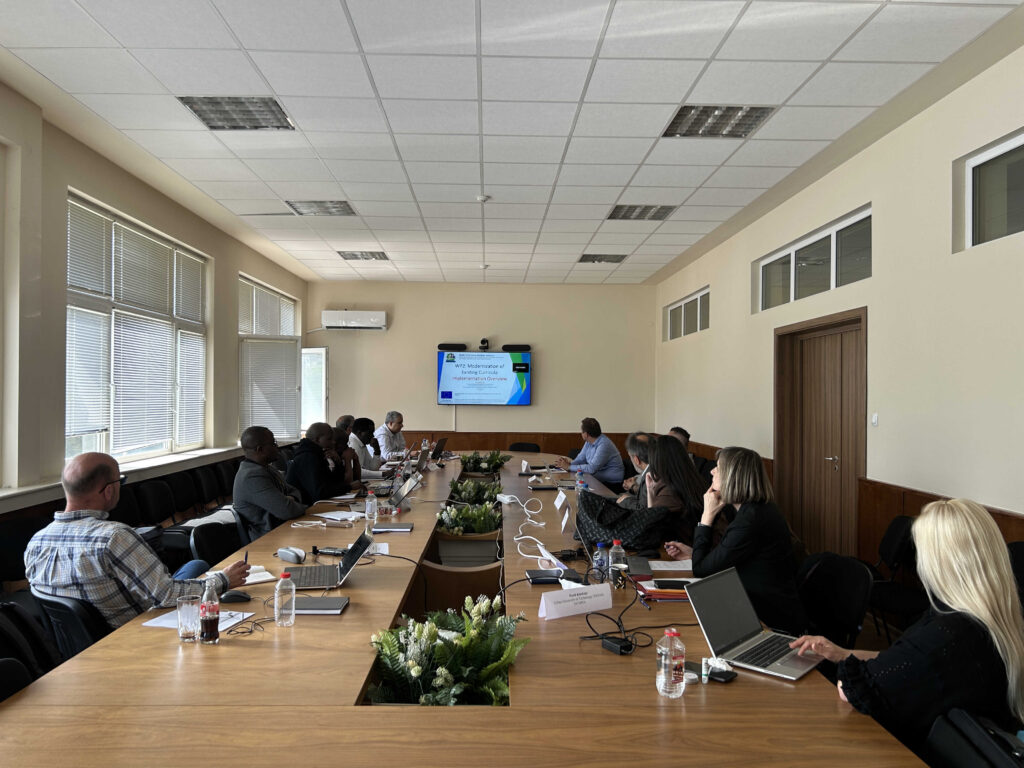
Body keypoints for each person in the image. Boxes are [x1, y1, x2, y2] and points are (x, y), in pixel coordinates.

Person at [790, 499, 1024, 756]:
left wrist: (847, 670)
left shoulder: (945, 636)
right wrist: (843, 653)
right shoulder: (991, 616)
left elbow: (854, 689)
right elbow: (901, 661)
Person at [24, 452, 248, 629]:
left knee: (195, 566)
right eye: (120, 481)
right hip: (136, 631)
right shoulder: (114, 537)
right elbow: (166, 595)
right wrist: (223, 580)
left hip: (84, 648)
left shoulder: (35, 543)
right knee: (201, 572)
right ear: (109, 491)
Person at [664, 446, 805, 635]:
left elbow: (701, 571)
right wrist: (694, 554)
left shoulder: (750, 520)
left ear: (733, 476)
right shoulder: (756, 509)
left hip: (769, 620)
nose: (712, 471)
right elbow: (727, 556)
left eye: (718, 467)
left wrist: (706, 517)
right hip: (758, 604)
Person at [234, 426, 307, 539]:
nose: (277, 447)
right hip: (269, 538)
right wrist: (289, 501)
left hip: (285, 528)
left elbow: (294, 491)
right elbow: (287, 510)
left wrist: (290, 499)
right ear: (260, 449)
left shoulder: (268, 468)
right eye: (273, 443)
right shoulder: (251, 476)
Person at [645, 434, 707, 541]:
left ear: (657, 462)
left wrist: (650, 492)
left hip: (682, 547)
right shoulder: (694, 479)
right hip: (696, 543)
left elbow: (650, 527)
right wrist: (650, 490)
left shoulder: (669, 492)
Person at [285, 422, 352, 505]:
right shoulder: (307, 457)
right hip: (305, 507)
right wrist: (349, 487)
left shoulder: (319, 453)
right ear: (317, 440)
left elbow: (336, 482)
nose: (333, 442)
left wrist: (338, 462)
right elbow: (319, 493)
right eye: (329, 439)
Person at [555, 417, 624, 489]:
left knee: (578, 482)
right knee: (575, 481)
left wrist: (569, 467)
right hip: (597, 476)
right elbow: (581, 459)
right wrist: (569, 464)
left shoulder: (604, 444)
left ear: (586, 434)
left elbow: (591, 469)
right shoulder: (589, 441)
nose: (581, 433)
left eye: (582, 431)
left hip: (612, 483)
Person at [617, 432, 651, 511]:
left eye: (630, 457)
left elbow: (642, 509)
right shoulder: (653, 468)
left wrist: (625, 500)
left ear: (636, 460)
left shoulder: (650, 475)